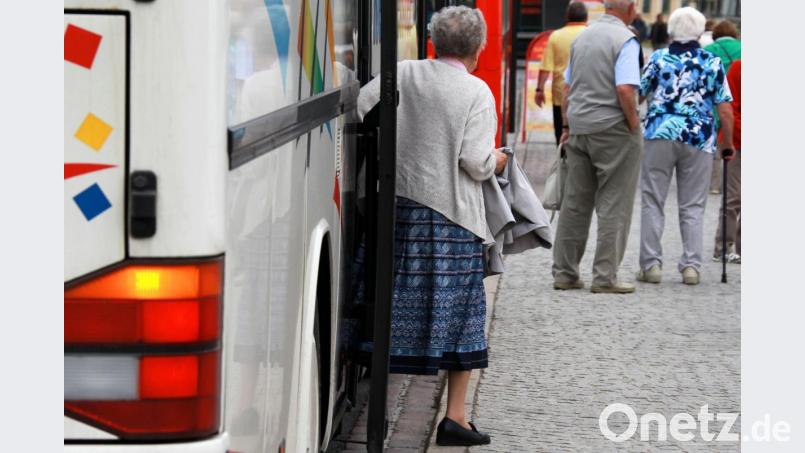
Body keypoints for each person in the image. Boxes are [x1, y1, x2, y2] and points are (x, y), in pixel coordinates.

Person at [355, 5, 506, 447]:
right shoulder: (475, 91)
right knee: (461, 317)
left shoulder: (401, 73)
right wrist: (499, 159)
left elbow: (363, 108)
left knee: (388, 305)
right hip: (451, 219)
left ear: (432, 41)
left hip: (397, 209)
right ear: (479, 47)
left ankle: (378, 410)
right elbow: (476, 163)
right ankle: (455, 418)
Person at [636, 7, 734, 285]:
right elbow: (725, 110)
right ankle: (691, 266)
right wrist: (727, 143)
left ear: (671, 31)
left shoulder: (658, 59)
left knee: (653, 200)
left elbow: (640, 95)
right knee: (693, 205)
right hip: (699, 137)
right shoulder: (711, 62)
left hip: (660, 133)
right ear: (700, 31)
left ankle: (651, 266)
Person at [552, 0, 642, 294]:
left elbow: (567, 88)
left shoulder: (583, 38)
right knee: (615, 202)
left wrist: (566, 126)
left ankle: (565, 273)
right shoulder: (626, 40)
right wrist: (633, 124)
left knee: (575, 204)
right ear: (630, 8)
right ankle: (605, 277)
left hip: (579, 126)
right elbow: (625, 88)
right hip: (613, 128)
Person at [536, 2, 588, 144]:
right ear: (586, 17)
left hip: (561, 95)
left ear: (567, 16)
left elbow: (546, 67)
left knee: (561, 137)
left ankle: (563, 162)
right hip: (586, 96)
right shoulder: (590, 35)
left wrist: (539, 90)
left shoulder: (556, 36)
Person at [705, 20, 741, 194]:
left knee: (714, 142)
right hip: (736, 99)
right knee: (729, 139)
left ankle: (713, 184)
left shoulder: (708, 50)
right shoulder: (742, 48)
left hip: (714, 101)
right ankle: (731, 182)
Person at [713, 59, 741, 263]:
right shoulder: (739, 67)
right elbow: (729, 105)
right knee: (733, 197)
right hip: (739, 139)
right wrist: (729, 139)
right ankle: (724, 245)